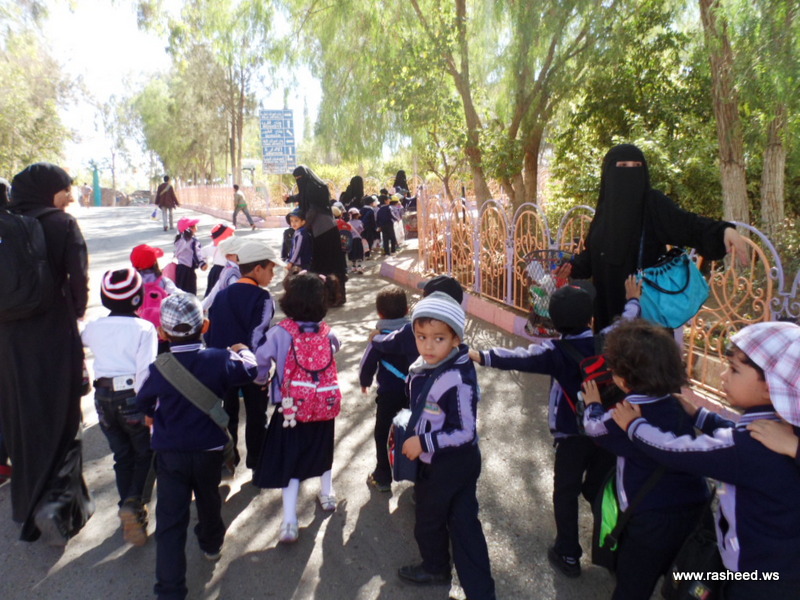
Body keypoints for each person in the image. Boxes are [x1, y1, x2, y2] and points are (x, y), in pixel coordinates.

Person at [612, 321, 800, 599]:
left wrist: (634, 426)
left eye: (734, 369)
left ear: (771, 386)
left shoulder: (747, 449)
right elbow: (739, 429)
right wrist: (701, 416)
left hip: (756, 579)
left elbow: (676, 450)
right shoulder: (785, 429)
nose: (723, 375)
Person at [469, 276, 641, 578]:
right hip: (608, 430)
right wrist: (633, 299)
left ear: (554, 324)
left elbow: (519, 358)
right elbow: (627, 320)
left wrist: (480, 355)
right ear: (590, 318)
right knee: (601, 489)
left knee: (565, 492)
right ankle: (616, 549)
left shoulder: (554, 352)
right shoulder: (609, 339)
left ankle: (568, 552)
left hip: (571, 435)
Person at [136, 293, 258, 599]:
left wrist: (151, 414)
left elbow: (144, 400)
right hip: (208, 450)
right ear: (205, 325)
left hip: (170, 454)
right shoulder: (219, 359)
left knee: (170, 519)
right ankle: (211, 543)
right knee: (208, 497)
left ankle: (170, 590)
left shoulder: (159, 367)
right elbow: (251, 370)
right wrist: (242, 349)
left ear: (162, 333)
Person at [0, 162, 93, 544]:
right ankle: (57, 505)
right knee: (62, 415)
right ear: (48, 190)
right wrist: (73, 312)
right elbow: (79, 281)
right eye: (65, 189)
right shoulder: (61, 223)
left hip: (9, 341)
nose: (69, 196)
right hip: (53, 335)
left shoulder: (7, 224)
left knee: (21, 417)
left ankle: (27, 506)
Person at [583, 319, 709, 600]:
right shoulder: (678, 404)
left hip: (651, 520)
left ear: (624, 379)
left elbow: (594, 429)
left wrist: (592, 404)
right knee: (679, 580)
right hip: (695, 509)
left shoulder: (626, 415)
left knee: (633, 586)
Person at [561, 144, 748, 331]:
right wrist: (571, 267)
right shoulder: (605, 211)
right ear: (609, 172)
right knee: (609, 347)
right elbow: (593, 255)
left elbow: (687, 224)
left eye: (636, 166)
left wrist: (722, 231)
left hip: (644, 312)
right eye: (623, 166)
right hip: (607, 310)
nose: (629, 172)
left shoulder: (652, 204)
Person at [398, 292, 496, 599]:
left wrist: (423, 441)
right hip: (451, 462)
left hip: (447, 464)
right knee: (464, 522)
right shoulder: (432, 363)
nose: (428, 346)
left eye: (438, 338)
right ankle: (480, 592)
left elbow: (465, 431)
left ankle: (436, 568)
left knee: (429, 520)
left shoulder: (458, 378)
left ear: (456, 339)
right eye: (421, 337)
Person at [252, 273, 341, 544]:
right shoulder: (327, 331)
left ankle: (290, 521)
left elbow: (261, 359)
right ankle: (327, 494)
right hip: (323, 405)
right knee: (323, 450)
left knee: (290, 462)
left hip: (290, 409)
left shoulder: (280, 332)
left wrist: (261, 381)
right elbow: (336, 348)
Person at [81, 268, 158, 546]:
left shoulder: (94, 327)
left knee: (122, 455)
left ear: (105, 298)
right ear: (139, 297)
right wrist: (149, 408)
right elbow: (145, 372)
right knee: (146, 452)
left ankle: (127, 505)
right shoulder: (144, 329)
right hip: (131, 397)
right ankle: (134, 503)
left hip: (102, 398)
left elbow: (78, 337)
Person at [206, 241, 282, 471]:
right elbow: (257, 335)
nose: (273, 275)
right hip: (252, 368)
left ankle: (229, 460)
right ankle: (257, 463)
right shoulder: (263, 298)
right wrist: (260, 369)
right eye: (271, 269)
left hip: (225, 367)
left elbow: (212, 334)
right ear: (257, 269)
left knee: (227, 414)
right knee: (257, 416)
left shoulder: (222, 296)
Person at [359, 285, 411, 492]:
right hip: (414, 393)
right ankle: (420, 479)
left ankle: (382, 476)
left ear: (380, 313)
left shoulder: (378, 337)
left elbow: (367, 364)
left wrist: (365, 382)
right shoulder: (416, 333)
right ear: (407, 310)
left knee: (382, 433)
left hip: (389, 395)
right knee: (415, 431)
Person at [285, 165, 347, 305]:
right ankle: (334, 297)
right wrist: (289, 199)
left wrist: (304, 224)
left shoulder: (314, 189)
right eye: (296, 178)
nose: (298, 180)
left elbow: (312, 210)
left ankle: (332, 298)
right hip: (326, 229)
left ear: (305, 176)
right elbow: (301, 196)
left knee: (326, 265)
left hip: (323, 232)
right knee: (331, 265)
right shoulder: (314, 187)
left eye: (299, 177)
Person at [202, 236, 243, 311]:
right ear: (228, 256)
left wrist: (203, 305)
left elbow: (215, 290)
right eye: (238, 252)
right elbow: (237, 296)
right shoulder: (232, 274)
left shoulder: (228, 269)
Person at [173, 217, 207, 295]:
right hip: (188, 271)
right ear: (191, 228)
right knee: (190, 293)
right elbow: (196, 254)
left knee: (181, 292)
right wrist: (202, 263)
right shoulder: (193, 241)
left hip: (180, 269)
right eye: (195, 225)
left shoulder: (179, 239)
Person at [203, 224, 235, 296]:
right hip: (223, 271)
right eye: (230, 234)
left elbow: (202, 253)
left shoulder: (213, 246)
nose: (233, 235)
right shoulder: (223, 247)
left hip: (216, 271)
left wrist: (204, 262)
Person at [285, 207, 313, 274]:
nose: (293, 223)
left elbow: (298, 249)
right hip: (299, 262)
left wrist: (291, 262)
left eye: (296, 220)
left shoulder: (301, 233)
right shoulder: (298, 231)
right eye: (291, 221)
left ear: (303, 222)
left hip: (301, 263)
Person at [347, 207, 365, 273]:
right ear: (357, 215)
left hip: (350, 240)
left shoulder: (348, 223)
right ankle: (359, 266)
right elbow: (361, 229)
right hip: (358, 239)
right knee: (359, 252)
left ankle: (353, 266)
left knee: (352, 253)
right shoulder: (359, 222)